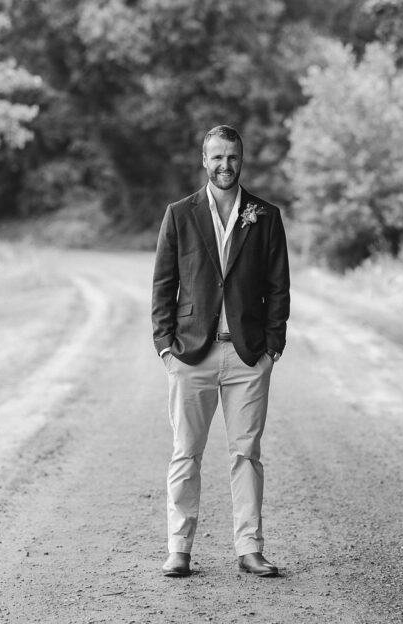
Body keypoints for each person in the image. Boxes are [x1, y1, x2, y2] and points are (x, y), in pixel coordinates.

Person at [151, 125, 290, 578]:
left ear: (241, 159)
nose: (224, 166)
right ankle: (179, 549)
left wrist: (272, 349)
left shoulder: (265, 216)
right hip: (191, 354)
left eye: (231, 157)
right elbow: (163, 285)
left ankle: (249, 548)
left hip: (248, 356)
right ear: (203, 160)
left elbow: (278, 287)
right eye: (216, 158)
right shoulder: (179, 214)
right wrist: (165, 348)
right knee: (185, 452)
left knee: (246, 453)